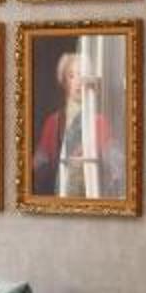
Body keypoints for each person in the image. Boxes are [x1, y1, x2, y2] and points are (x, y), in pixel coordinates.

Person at [32, 49, 123, 198]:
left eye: (82, 75)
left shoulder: (99, 122)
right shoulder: (53, 122)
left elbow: (116, 167)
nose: (78, 81)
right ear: (64, 81)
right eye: (72, 76)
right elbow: (38, 166)